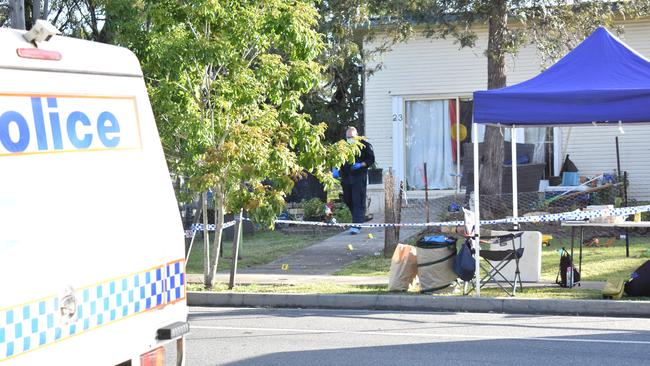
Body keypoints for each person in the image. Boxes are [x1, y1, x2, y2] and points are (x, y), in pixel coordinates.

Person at [337, 126, 375, 234]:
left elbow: (371, 159)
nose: (350, 139)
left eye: (352, 137)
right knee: (348, 200)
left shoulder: (364, 145)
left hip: (359, 177)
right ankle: (359, 218)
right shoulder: (342, 146)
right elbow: (336, 159)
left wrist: (361, 165)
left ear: (356, 136)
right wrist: (335, 169)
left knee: (358, 201)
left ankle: (356, 226)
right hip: (346, 178)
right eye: (348, 137)